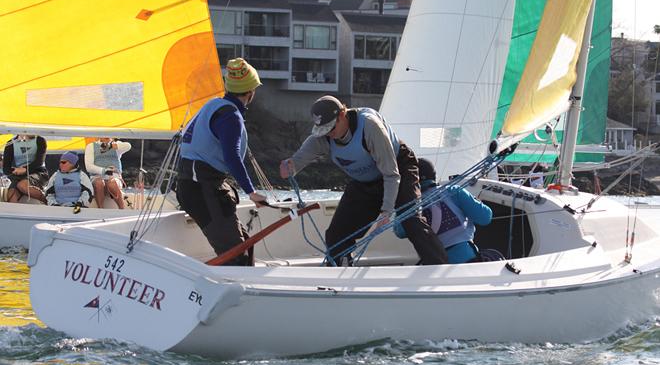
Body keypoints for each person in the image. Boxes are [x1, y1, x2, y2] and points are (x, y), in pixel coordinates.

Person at [280, 95, 447, 266]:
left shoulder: (370, 126)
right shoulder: (323, 137)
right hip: (365, 182)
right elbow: (297, 161)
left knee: (411, 219)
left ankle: (438, 266)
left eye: (331, 128)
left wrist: (386, 210)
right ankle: (339, 273)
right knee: (336, 234)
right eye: (323, 130)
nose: (328, 134)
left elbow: (391, 174)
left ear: (342, 114)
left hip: (398, 169)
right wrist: (289, 167)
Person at [176, 57, 267, 265]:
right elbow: (232, 156)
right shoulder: (230, 117)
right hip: (202, 189)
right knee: (237, 258)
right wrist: (251, 192)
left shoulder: (214, 105)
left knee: (247, 246)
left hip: (196, 184)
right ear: (250, 91)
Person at [397, 158, 493, 264]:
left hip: (433, 264)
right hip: (466, 258)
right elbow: (485, 217)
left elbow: (400, 232)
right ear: (433, 174)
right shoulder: (453, 191)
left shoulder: (410, 205)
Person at [85, 137, 131, 208]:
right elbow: (89, 167)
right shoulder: (91, 146)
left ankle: (122, 208)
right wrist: (105, 170)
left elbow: (128, 146)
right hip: (97, 176)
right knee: (99, 183)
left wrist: (111, 146)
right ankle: (101, 209)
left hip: (114, 176)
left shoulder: (116, 145)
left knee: (112, 183)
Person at [2, 134, 48, 203]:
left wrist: (25, 169)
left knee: (23, 185)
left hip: (38, 172)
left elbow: (39, 162)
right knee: (11, 195)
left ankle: (48, 202)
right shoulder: (10, 143)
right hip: (19, 175)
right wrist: (15, 170)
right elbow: (6, 168)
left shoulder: (40, 140)